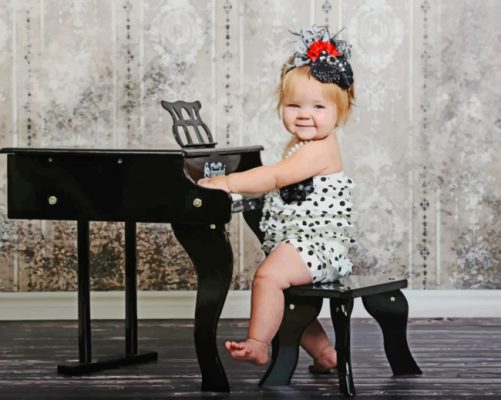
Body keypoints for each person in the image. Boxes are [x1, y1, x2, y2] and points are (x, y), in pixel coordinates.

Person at [198, 26, 355, 372]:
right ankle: (327, 355)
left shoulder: (320, 149)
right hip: (302, 243)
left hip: (318, 246)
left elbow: (274, 177)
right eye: (293, 105)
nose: (304, 114)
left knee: (268, 280)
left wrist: (226, 181)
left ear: (340, 113)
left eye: (318, 106)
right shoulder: (302, 145)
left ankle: (259, 345)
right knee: (281, 297)